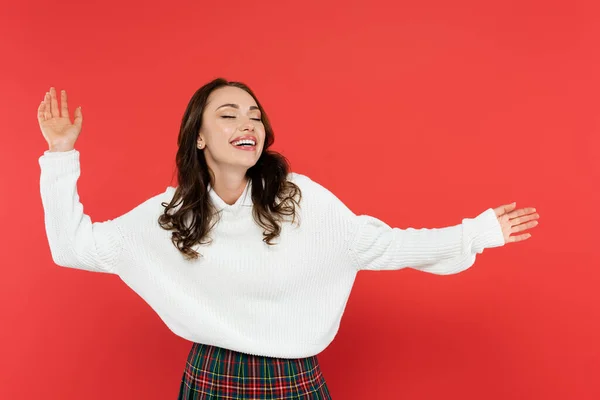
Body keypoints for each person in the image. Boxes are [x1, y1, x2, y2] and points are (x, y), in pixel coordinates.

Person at [37, 78, 540, 399]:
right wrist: (60, 155)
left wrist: (476, 234)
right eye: (229, 114)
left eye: (255, 115)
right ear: (199, 136)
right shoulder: (167, 217)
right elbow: (72, 247)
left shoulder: (300, 201)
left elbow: (382, 245)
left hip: (292, 382)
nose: (248, 123)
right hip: (211, 376)